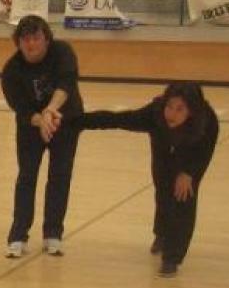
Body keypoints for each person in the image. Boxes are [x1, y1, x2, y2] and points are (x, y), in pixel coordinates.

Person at [78, 83, 219, 277]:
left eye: (180, 109)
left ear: (192, 110)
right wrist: (79, 122)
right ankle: (161, 233)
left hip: (192, 156)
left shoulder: (207, 120)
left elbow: (205, 152)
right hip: (163, 151)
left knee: (184, 198)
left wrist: (189, 173)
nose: (171, 113)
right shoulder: (155, 113)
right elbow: (119, 119)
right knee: (162, 189)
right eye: (170, 106)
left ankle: (172, 258)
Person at [0, 14, 85, 258]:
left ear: (46, 39)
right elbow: (22, 108)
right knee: (27, 176)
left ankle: (53, 234)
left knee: (60, 176)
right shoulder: (11, 70)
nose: (31, 44)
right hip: (31, 127)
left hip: (66, 122)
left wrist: (50, 110)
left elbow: (66, 85)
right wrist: (41, 120)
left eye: (36, 38)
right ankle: (18, 235)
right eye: (25, 39)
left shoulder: (63, 52)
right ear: (18, 42)